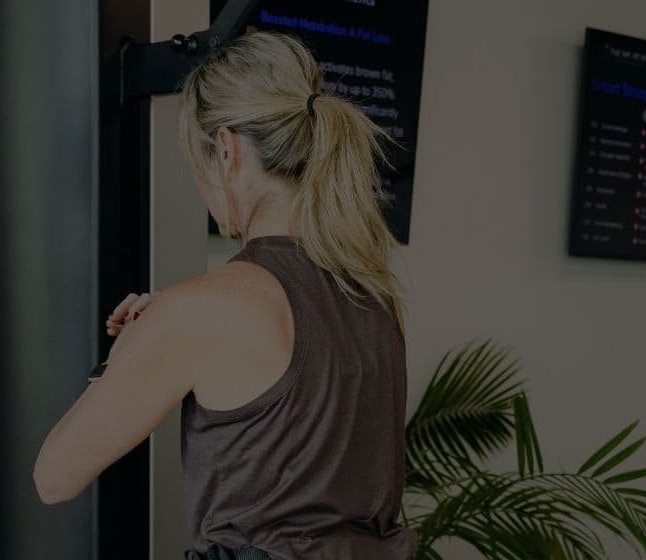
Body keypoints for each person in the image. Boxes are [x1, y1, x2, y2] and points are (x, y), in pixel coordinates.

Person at [34, 32, 414, 559]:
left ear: (228, 151)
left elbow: (54, 477)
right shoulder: (375, 295)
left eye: (198, 166)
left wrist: (127, 353)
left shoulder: (202, 309)